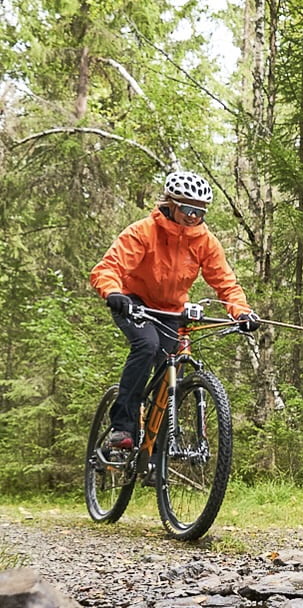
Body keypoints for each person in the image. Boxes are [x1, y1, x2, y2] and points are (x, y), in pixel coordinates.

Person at [90, 169, 260, 450]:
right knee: (147, 345)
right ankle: (122, 427)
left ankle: (158, 448)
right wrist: (113, 292)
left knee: (172, 367)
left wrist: (241, 312)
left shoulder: (205, 242)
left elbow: (225, 282)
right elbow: (108, 268)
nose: (194, 216)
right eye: (188, 209)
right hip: (133, 301)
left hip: (170, 310)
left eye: (200, 211)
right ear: (170, 204)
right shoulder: (143, 232)